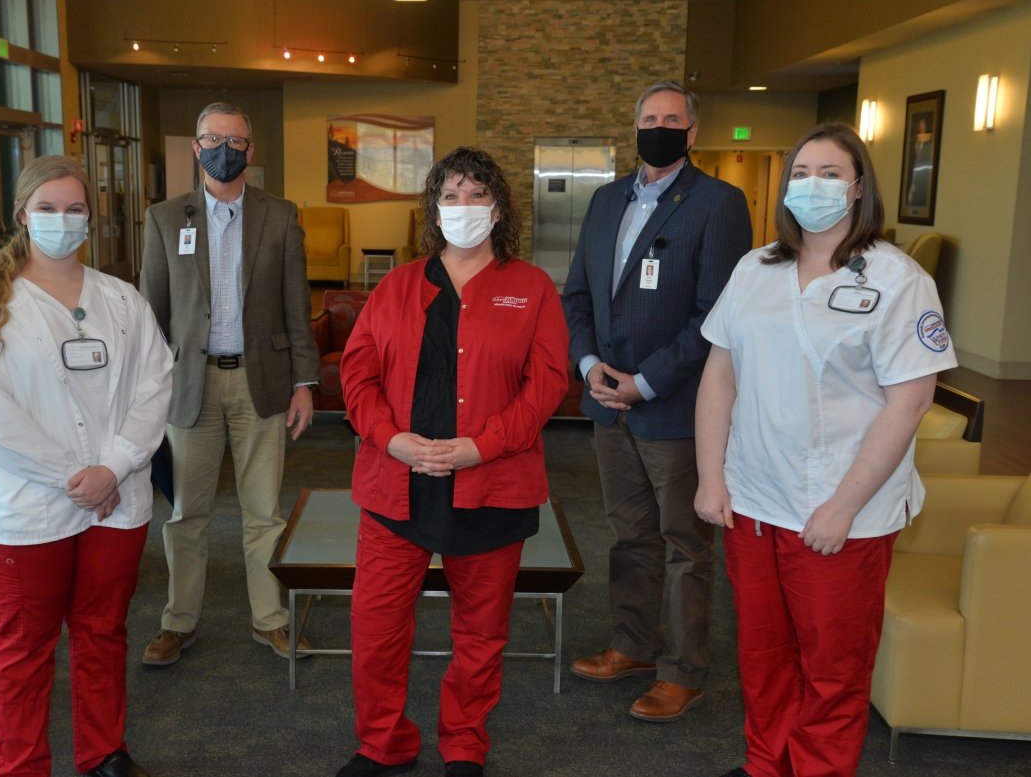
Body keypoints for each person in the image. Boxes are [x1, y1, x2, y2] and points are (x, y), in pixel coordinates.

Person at [696, 123, 957, 777]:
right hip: (754, 497)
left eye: (831, 173)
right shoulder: (755, 268)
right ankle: (766, 763)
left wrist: (843, 505)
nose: (814, 186)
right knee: (762, 656)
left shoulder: (900, 280)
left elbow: (910, 402)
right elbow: (719, 376)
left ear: (860, 186)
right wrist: (709, 477)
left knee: (832, 666)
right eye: (802, 173)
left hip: (844, 509)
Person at [336, 147, 570, 777]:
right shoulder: (396, 286)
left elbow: (545, 386)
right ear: (433, 209)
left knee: (480, 634)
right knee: (376, 629)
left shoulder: (532, 289)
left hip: (492, 486)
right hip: (395, 487)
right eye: (451, 195)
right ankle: (383, 742)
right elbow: (358, 377)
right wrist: (391, 440)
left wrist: (482, 446)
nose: (463, 207)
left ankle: (464, 743)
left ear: (499, 208)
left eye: (476, 195)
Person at [0, 156, 172, 777]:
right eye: (46, 208)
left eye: (74, 209)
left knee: (103, 633)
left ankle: (103, 753)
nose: (60, 220)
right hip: (28, 504)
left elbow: (155, 388)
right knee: (23, 647)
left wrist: (112, 468)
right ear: (22, 216)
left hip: (115, 501)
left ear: (91, 219)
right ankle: (20, 767)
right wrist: (80, 477)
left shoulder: (122, 300)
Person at [562, 80, 752, 721]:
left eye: (672, 119)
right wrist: (589, 366)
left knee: (683, 544)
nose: (659, 127)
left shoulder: (718, 203)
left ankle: (684, 671)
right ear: (634, 126)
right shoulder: (604, 200)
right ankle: (635, 646)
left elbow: (714, 313)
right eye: (649, 118)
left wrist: (645, 382)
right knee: (629, 535)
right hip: (606, 402)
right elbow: (577, 296)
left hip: (673, 406)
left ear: (693, 132)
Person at [139, 102, 320, 665]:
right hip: (189, 386)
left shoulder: (281, 215)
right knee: (186, 515)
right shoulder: (165, 219)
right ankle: (179, 622)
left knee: (263, 513)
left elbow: (297, 306)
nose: (226, 149)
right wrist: (151, 387)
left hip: (260, 382)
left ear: (250, 149)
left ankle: (269, 620)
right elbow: (152, 313)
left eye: (237, 141)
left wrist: (306, 382)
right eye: (214, 139)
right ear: (196, 148)